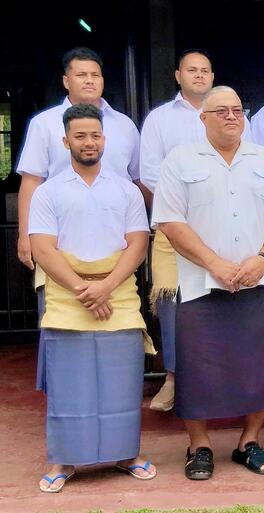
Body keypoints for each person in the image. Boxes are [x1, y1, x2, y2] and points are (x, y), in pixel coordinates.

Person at [152, 86, 264, 480]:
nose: (232, 117)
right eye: (222, 111)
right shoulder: (180, 160)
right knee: (199, 368)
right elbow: (169, 220)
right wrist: (214, 262)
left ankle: (248, 441)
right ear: (203, 117)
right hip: (202, 283)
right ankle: (198, 446)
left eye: (237, 110)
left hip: (261, 279)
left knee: (262, 366)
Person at [29, 104, 155, 493]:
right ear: (65, 141)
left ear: (105, 139)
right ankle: (62, 458)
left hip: (117, 292)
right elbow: (43, 249)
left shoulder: (125, 190)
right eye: (80, 136)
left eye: (95, 135)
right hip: (68, 296)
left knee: (122, 382)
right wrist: (83, 290)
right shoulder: (49, 191)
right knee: (70, 384)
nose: (89, 142)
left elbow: (137, 244)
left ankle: (126, 453)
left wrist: (106, 286)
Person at [139, 49, 251, 412]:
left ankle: (226, 380)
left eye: (206, 69)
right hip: (178, 226)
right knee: (174, 305)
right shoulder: (160, 119)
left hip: (226, 222)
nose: (199, 75)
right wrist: (188, 197)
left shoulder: (231, 114)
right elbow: (149, 172)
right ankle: (173, 378)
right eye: (192, 70)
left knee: (227, 300)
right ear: (178, 75)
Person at [17, 47, 141, 292]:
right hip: (59, 236)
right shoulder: (44, 124)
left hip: (116, 239)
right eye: (81, 75)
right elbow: (31, 181)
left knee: (119, 310)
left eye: (95, 75)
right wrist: (25, 235)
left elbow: (137, 180)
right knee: (59, 311)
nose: (89, 81)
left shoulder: (125, 125)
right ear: (66, 81)